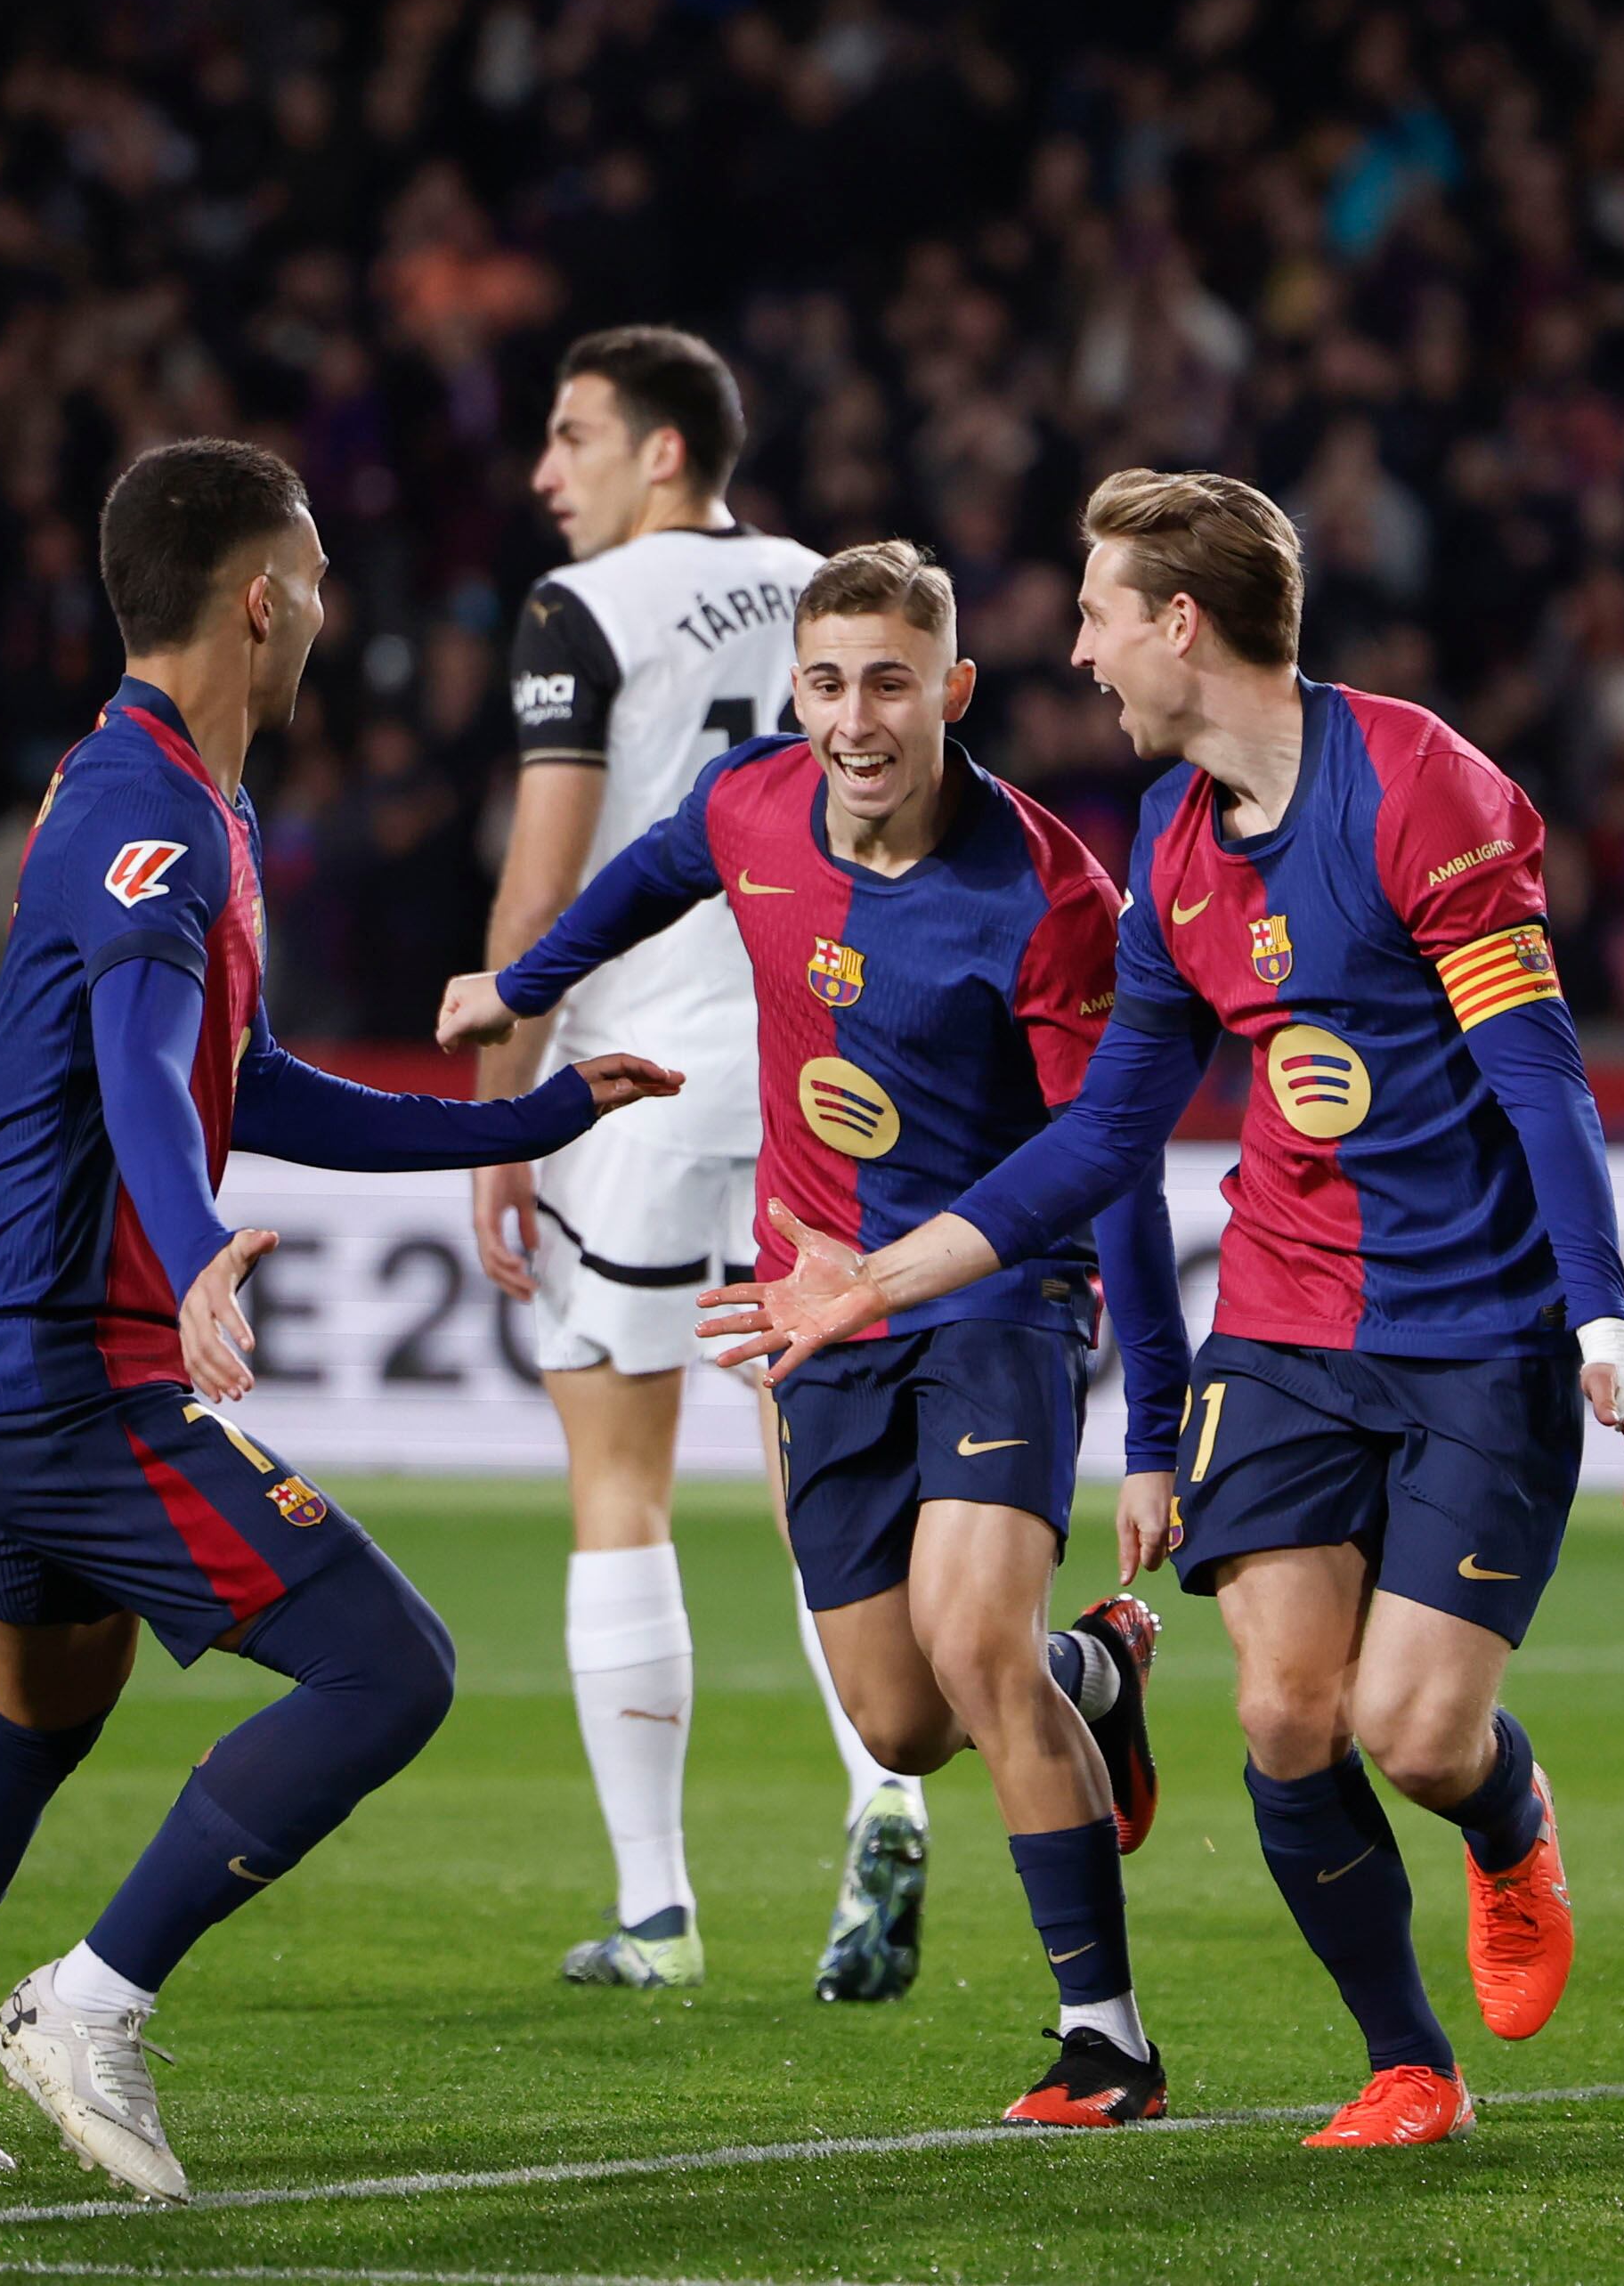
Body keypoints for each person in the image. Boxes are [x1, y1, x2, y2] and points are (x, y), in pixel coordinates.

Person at [704, 472, 1624, 2150]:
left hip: (1478, 1331)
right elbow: (1100, 1141)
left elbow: (1539, 1074)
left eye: (1094, 615)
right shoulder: (1166, 848)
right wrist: (880, 1276)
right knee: (1287, 1711)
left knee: (1415, 1730)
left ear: (1178, 624)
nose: (1074, 653)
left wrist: (1604, 1323)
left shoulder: (1421, 789)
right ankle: (1409, 2064)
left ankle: (1507, 1825)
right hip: (1288, 1324)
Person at [0, 440, 678, 2201]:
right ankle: (87, 2001)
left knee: (40, 1705)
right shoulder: (150, 815)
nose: (331, 615)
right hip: (67, 1353)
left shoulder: (176, 795)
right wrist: (192, 1248)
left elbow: (237, 1073)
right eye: (323, 579)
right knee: (387, 1664)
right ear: (260, 598)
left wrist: (520, 1116)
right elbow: (137, 1053)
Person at [439, 540, 1190, 2119]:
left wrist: (1155, 1414)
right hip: (812, 1305)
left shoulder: (1049, 896)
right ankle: (1092, 1680)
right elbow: (650, 871)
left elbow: (1113, 1153)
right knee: (906, 1723)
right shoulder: (754, 804)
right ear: (800, 690)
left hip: (990, 1298)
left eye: (892, 684)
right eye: (831, 683)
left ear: (954, 693)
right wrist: (518, 988)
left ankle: (1106, 2040)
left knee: (973, 1644)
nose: (857, 719)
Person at [467, 326, 926, 1997]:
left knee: (620, 1482)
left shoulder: (575, 612)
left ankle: (657, 1911)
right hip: (826, 1077)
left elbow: (542, 887)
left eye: (572, 434)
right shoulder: (832, 589)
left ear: (663, 452)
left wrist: (500, 1115)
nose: (546, 470)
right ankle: (887, 1797)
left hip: (635, 1081)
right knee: (821, 1482)